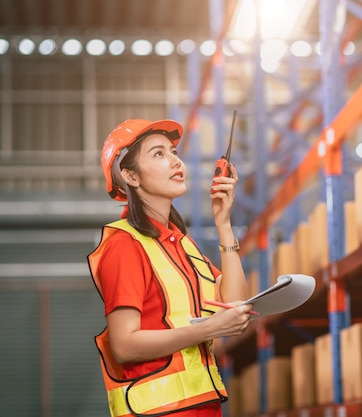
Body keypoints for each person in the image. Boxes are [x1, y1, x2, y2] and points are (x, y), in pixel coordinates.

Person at [87, 118, 253, 417]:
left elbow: (233, 303)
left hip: (204, 409)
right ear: (131, 177)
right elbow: (124, 345)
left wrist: (224, 224)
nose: (175, 161)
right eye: (158, 154)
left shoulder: (182, 244)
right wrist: (209, 329)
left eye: (174, 151)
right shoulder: (125, 245)